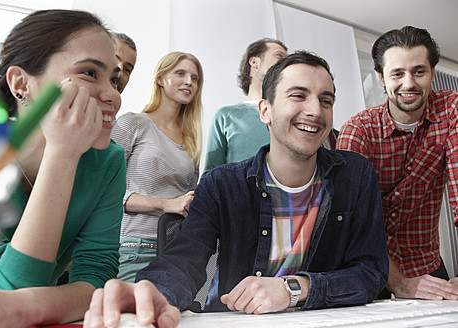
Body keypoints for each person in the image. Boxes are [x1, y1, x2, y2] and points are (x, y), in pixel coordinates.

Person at [84, 51, 388, 327]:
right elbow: (182, 261)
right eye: (298, 96)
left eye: (326, 100)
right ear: (265, 111)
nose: (315, 111)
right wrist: (154, 292)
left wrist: (293, 288)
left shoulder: (356, 175)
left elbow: (371, 272)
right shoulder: (221, 185)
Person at [0, 9, 126, 326]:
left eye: (114, 78)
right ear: (21, 84)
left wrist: (25, 305)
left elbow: (97, 281)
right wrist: (62, 153)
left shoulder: (108, 161)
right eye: (88, 73)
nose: (112, 94)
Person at [336, 26, 458, 300]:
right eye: (397, 74)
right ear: (381, 78)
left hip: (426, 265)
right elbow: (350, 219)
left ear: (432, 73)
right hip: (370, 266)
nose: (409, 83)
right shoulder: (358, 130)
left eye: (418, 71)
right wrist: (400, 282)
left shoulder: (452, 110)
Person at [111, 51, 203, 283]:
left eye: (195, 78)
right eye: (180, 73)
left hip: (175, 252)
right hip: (133, 249)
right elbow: (105, 194)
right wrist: (166, 204)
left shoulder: (192, 140)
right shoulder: (133, 124)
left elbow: (186, 203)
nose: (189, 82)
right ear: (160, 79)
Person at [203, 38, 287, 173]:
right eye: (279, 56)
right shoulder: (225, 116)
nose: (285, 64)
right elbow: (210, 174)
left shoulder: (290, 114)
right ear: (254, 62)